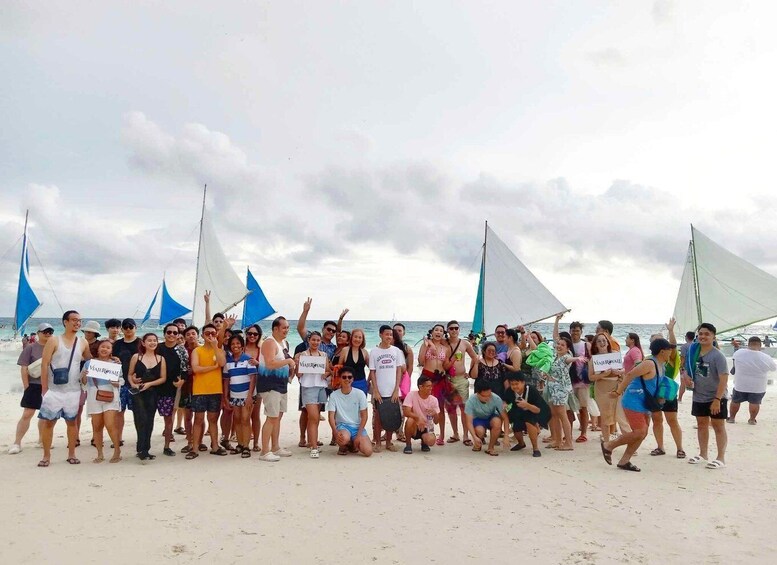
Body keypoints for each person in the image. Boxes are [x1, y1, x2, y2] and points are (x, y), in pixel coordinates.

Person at [600, 338, 676, 472]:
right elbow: (629, 374)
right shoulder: (649, 363)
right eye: (669, 349)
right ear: (662, 351)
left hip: (645, 402)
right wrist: (618, 391)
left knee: (642, 433)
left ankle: (625, 461)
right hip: (633, 400)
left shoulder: (661, 365)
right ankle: (609, 445)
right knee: (639, 431)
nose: (671, 351)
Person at [38, 310, 91, 467]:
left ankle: (72, 454)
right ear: (65, 322)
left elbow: (89, 361)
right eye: (74, 320)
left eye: (79, 320)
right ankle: (46, 456)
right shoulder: (54, 340)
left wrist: (110, 361)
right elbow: (44, 364)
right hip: (54, 390)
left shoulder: (83, 342)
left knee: (72, 423)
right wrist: (44, 389)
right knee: (48, 423)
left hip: (74, 390)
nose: (77, 323)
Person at [684, 323, 729, 469]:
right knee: (701, 425)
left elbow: (724, 378)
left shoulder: (718, 355)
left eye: (707, 334)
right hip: (699, 395)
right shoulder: (694, 351)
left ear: (713, 336)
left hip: (716, 397)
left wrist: (717, 400)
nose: (703, 336)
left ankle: (720, 458)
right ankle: (703, 454)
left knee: (718, 426)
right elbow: (687, 369)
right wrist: (686, 377)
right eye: (701, 334)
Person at [8, 322, 53, 454]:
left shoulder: (54, 347)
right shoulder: (31, 348)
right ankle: (17, 442)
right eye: (45, 331)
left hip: (50, 386)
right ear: (38, 333)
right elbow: (23, 368)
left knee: (45, 416)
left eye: (50, 331)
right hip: (34, 385)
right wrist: (26, 386)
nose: (48, 334)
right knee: (28, 413)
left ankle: (41, 440)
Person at [256, 316, 296, 462]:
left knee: (278, 417)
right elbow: (270, 363)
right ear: (275, 329)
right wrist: (288, 361)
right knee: (271, 417)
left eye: (287, 327)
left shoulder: (283, 343)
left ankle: (275, 446)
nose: (286, 330)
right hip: (269, 384)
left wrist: (291, 365)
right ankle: (264, 451)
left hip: (281, 384)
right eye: (284, 327)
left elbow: (284, 360)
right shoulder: (269, 342)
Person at [536, 333, 583, 451]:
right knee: (554, 415)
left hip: (560, 390)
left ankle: (568, 442)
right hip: (552, 388)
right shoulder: (554, 357)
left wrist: (578, 358)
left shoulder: (565, 357)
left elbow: (569, 359)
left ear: (567, 348)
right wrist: (545, 375)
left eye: (563, 345)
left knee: (562, 415)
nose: (559, 346)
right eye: (558, 344)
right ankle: (557, 440)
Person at [189, 323, 227, 459]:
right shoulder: (197, 351)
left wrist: (215, 346)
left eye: (213, 333)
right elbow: (195, 368)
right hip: (199, 390)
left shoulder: (219, 350)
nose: (210, 336)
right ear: (202, 335)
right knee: (198, 419)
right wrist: (212, 367)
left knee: (213, 419)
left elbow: (222, 363)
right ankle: (194, 448)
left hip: (215, 390)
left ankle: (215, 446)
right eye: (207, 333)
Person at [648, 319, 685, 459]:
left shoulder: (670, 357)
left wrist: (670, 331)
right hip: (654, 394)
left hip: (668, 393)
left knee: (672, 421)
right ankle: (660, 447)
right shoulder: (649, 359)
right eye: (654, 341)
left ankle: (680, 448)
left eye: (659, 341)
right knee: (657, 421)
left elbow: (674, 346)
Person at [81, 339, 122, 463]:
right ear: (98, 349)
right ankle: (100, 453)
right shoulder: (89, 363)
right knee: (97, 426)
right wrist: (84, 375)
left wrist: (116, 383)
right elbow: (83, 383)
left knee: (110, 424)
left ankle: (117, 451)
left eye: (108, 347)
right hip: (94, 394)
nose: (104, 349)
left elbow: (121, 380)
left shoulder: (115, 363)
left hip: (111, 394)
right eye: (102, 347)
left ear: (111, 351)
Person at [128, 333, 167, 461]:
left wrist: (149, 384)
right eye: (149, 340)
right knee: (140, 419)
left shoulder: (160, 359)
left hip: (153, 393)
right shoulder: (136, 357)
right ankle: (140, 448)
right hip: (138, 393)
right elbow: (129, 374)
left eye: (154, 340)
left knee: (149, 420)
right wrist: (133, 384)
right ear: (143, 343)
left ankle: (145, 449)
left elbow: (163, 378)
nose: (152, 343)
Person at [295, 331, 333, 458]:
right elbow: (298, 375)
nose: (315, 342)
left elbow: (328, 370)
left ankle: (312, 442)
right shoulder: (303, 355)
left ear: (320, 342)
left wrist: (326, 374)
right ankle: (314, 448)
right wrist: (297, 364)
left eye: (318, 340)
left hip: (321, 388)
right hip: (308, 388)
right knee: (314, 417)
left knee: (315, 419)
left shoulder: (323, 355)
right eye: (313, 340)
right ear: (309, 341)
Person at [554, 315, 591, 442]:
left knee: (583, 408)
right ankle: (568, 432)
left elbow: (592, 361)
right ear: (570, 331)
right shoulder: (567, 344)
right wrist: (557, 320)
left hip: (582, 382)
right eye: (573, 330)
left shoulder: (586, 345)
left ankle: (584, 432)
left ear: (581, 332)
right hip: (567, 382)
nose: (575, 332)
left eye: (577, 330)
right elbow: (555, 338)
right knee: (568, 409)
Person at [368, 325, 403, 452]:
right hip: (379, 391)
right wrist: (375, 390)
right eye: (386, 334)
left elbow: (399, 371)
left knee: (391, 416)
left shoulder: (396, 351)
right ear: (380, 335)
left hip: (392, 390)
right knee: (378, 417)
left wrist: (396, 389)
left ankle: (388, 442)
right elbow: (372, 372)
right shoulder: (374, 352)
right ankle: (378, 442)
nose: (389, 337)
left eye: (391, 335)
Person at [443, 320, 478, 445]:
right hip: (447, 379)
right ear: (447, 330)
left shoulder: (465, 343)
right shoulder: (444, 343)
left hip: (461, 380)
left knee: (464, 408)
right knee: (451, 408)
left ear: (459, 329)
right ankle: (455, 434)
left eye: (456, 328)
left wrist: (470, 371)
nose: (453, 330)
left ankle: (465, 435)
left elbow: (475, 357)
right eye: (451, 328)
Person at [223, 334, 257, 457]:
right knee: (236, 419)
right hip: (234, 395)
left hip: (247, 395)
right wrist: (226, 396)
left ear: (242, 346)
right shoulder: (228, 362)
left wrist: (249, 396)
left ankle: (247, 446)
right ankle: (240, 444)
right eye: (233, 344)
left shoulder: (248, 359)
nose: (235, 346)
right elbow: (226, 380)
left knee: (245, 419)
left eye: (238, 343)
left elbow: (253, 378)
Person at [156, 323, 188, 456]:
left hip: (172, 388)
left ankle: (167, 446)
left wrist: (182, 381)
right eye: (169, 332)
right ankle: (143, 445)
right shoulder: (157, 348)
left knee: (168, 418)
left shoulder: (181, 350)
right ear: (164, 334)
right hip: (155, 386)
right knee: (146, 417)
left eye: (175, 333)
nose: (172, 335)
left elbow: (185, 369)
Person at [728, 336, 776, 425]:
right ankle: (752, 420)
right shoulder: (766, 357)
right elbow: (773, 368)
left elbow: (735, 363)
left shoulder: (738, 353)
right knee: (755, 403)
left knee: (735, 401)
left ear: (748, 344)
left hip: (740, 384)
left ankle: (731, 418)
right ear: (760, 345)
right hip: (758, 386)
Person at [328, 366, 372, 457]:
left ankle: (353, 443)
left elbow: (364, 416)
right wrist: (335, 433)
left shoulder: (360, 394)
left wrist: (359, 435)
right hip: (343, 426)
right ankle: (346, 445)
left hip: (357, 427)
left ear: (353, 379)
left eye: (349, 377)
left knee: (368, 452)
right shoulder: (334, 395)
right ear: (340, 378)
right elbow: (331, 417)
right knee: (343, 439)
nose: (347, 379)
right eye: (344, 377)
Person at [503, 372, 550, 457]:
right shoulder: (510, 391)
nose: (514, 386)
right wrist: (504, 404)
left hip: (534, 411)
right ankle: (521, 443)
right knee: (516, 427)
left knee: (529, 422)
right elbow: (505, 401)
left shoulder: (531, 390)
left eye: (517, 384)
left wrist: (527, 405)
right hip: (518, 410)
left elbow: (538, 410)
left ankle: (535, 448)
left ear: (523, 382)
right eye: (512, 384)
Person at [418, 324, 450, 446]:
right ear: (432, 332)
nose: (438, 332)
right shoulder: (425, 344)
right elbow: (421, 361)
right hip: (427, 376)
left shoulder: (445, 348)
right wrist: (427, 347)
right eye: (436, 330)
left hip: (440, 378)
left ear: (443, 334)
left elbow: (446, 365)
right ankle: (425, 433)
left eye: (441, 331)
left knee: (440, 408)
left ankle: (441, 435)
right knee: (424, 406)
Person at [588, 334, 624, 443]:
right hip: (602, 389)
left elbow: (623, 369)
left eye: (604, 340)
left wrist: (619, 372)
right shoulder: (593, 360)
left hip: (616, 386)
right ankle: (607, 443)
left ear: (608, 342)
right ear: (596, 344)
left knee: (621, 415)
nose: (602, 343)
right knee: (605, 416)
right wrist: (604, 374)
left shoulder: (614, 355)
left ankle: (629, 442)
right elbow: (591, 377)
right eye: (599, 341)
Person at [112, 318, 141, 448]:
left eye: (131, 326)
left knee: (138, 412)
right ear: (122, 329)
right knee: (119, 412)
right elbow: (109, 359)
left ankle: (141, 438)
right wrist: (113, 359)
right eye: (125, 327)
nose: (128, 329)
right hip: (120, 382)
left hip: (136, 382)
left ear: (135, 328)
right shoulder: (117, 344)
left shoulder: (141, 343)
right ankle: (118, 438)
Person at [464, 380, 510, 456]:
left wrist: (506, 436)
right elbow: (468, 422)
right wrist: (474, 437)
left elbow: (505, 418)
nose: (488, 398)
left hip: (491, 417)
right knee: (480, 431)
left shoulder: (496, 398)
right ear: (477, 394)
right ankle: (479, 440)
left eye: (489, 395)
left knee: (497, 422)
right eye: (484, 396)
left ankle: (491, 447)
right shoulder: (471, 401)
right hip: (478, 419)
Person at [401, 374, 440, 454]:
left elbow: (436, 421)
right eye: (428, 386)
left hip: (426, 427)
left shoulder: (434, 400)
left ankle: (424, 443)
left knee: (431, 441)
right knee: (409, 420)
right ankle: (408, 444)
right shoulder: (411, 395)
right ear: (421, 387)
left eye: (431, 386)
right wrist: (418, 418)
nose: (430, 388)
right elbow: (406, 412)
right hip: (415, 425)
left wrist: (435, 414)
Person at [178, 326, 199, 453]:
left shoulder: (203, 349)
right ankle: (190, 441)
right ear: (185, 337)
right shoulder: (182, 351)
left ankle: (199, 441)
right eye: (188, 334)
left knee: (200, 417)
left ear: (197, 335)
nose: (191, 336)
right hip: (186, 387)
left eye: (193, 333)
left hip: (200, 386)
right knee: (188, 417)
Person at [243, 324, 263, 452]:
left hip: (257, 385)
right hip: (241, 384)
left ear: (259, 336)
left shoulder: (261, 350)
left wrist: (258, 364)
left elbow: (268, 365)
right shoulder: (241, 348)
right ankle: (244, 442)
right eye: (249, 333)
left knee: (255, 415)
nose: (252, 336)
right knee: (243, 416)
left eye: (255, 334)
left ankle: (255, 442)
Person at [338, 329, 370, 396]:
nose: (357, 339)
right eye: (355, 337)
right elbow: (339, 368)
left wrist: (368, 380)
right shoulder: (345, 350)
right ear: (351, 338)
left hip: (362, 384)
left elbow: (372, 369)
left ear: (362, 340)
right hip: (347, 384)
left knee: (362, 406)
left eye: (360, 337)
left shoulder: (365, 352)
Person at [678, 331, 695, 402]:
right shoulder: (696, 345)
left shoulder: (684, 346)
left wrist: (681, 367)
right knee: (695, 383)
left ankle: (680, 398)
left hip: (686, 367)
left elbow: (683, 358)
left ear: (687, 337)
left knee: (683, 384)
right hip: (694, 367)